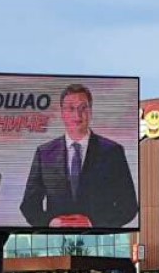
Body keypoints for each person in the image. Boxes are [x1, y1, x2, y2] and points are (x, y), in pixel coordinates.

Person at [20, 83, 138, 228]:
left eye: (83, 108)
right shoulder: (44, 153)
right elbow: (29, 205)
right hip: (55, 236)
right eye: (71, 108)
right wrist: (51, 223)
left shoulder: (112, 152)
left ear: (91, 111)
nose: (77, 115)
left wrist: (92, 223)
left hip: (97, 237)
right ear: (62, 113)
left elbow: (129, 206)